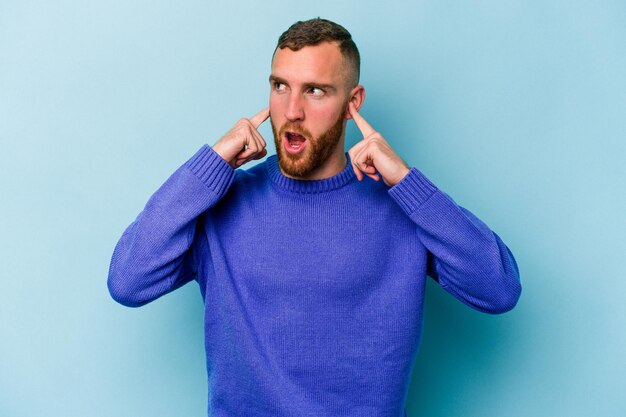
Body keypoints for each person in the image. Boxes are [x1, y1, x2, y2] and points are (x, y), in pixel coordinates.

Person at [108, 17, 522, 417]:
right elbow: (128, 280)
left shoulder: (402, 206)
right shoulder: (222, 202)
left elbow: (498, 289)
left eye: (316, 91)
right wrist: (210, 165)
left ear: (351, 103)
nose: (292, 110)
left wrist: (407, 183)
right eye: (280, 86)